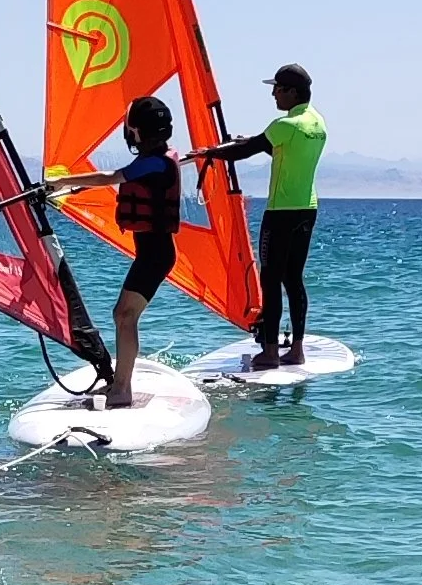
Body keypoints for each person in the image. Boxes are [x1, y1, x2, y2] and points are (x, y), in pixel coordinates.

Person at [197, 63, 328, 365]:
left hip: (280, 212)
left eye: (277, 89)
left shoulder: (285, 125)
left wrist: (210, 152)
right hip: (307, 209)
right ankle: (296, 350)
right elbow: (279, 149)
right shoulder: (316, 123)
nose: (273, 94)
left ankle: (270, 352)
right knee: (294, 279)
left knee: (270, 281)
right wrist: (248, 142)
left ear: (292, 92)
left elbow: (249, 150)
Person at [94, 92, 182, 413]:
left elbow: (110, 177)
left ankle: (121, 390)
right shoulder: (158, 160)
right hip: (153, 253)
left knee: (124, 315)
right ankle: (121, 384)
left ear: (137, 132)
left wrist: (59, 182)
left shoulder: (155, 163)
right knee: (124, 315)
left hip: (156, 254)